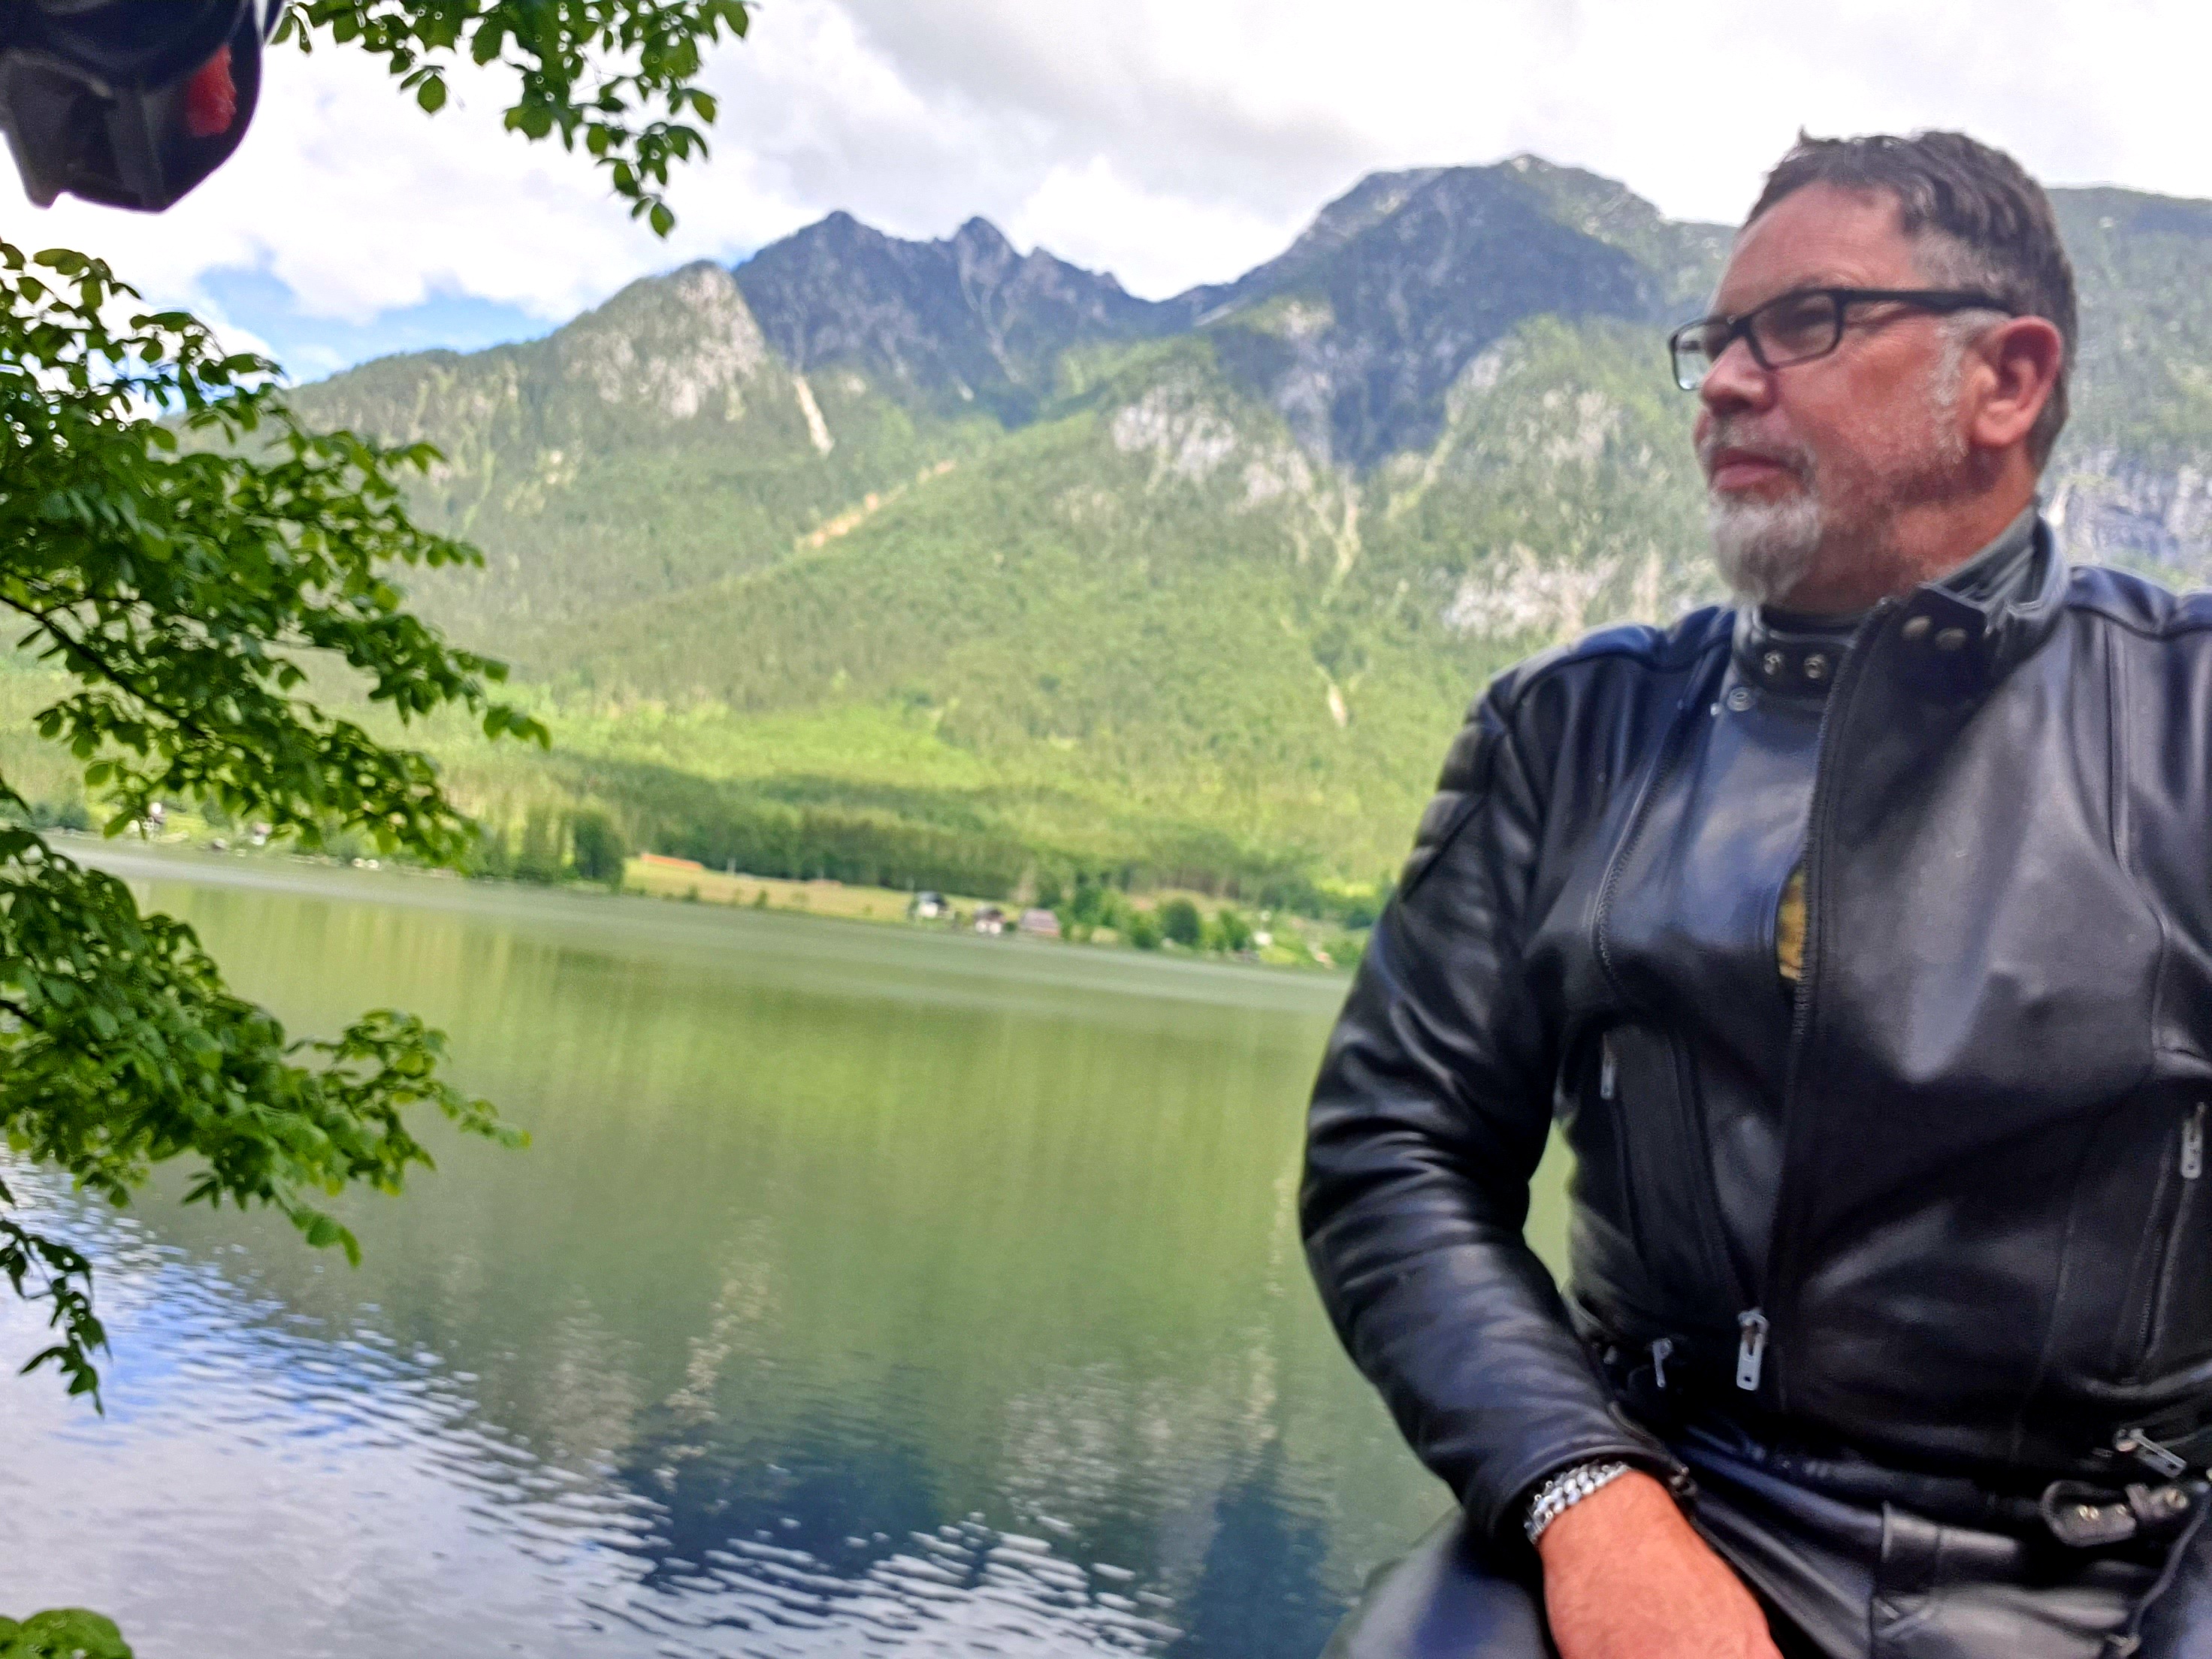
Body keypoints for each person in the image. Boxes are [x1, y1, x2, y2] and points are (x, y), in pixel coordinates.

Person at [1302, 129, 2212, 1659]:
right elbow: (1394, 1151)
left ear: (2005, 380)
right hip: (1659, 1497)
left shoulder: (2187, 724)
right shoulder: (1565, 734)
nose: (1724, 381)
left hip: (2115, 1573)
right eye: (1716, 340)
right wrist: (1584, 1494)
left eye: (1803, 324)